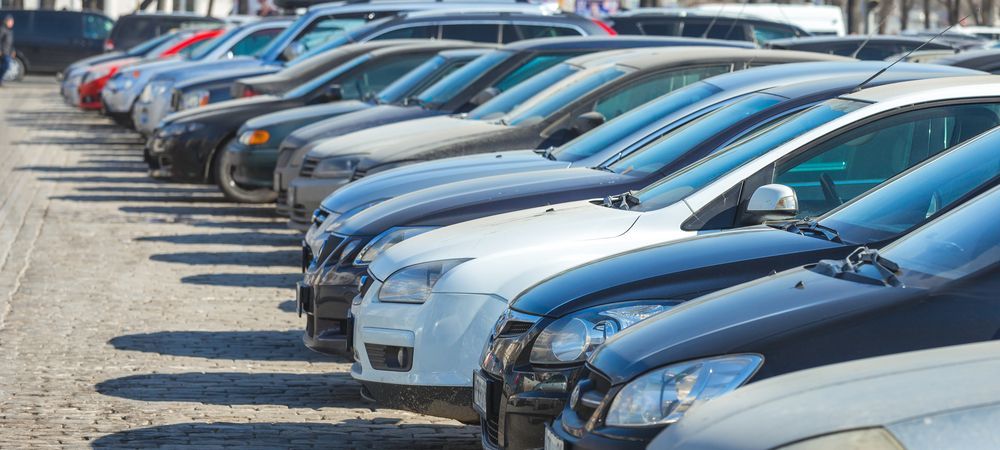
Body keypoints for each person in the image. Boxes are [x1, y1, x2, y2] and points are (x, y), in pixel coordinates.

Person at [0, 15, 13, 86]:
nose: (12, 23)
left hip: (8, 52)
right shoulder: (2, 29)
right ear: (6, 22)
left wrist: (12, 51)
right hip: (3, 52)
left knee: (6, 66)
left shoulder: (9, 30)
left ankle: (0, 80)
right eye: (10, 21)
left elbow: (10, 42)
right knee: (6, 66)